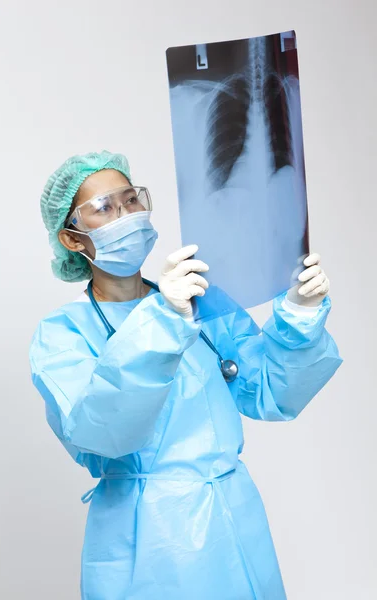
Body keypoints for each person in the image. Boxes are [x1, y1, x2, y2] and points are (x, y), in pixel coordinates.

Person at [29, 150, 342, 600]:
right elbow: (103, 433)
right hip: (149, 539)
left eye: (131, 199)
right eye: (104, 208)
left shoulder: (202, 302)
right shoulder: (63, 333)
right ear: (74, 240)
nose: (126, 215)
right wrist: (163, 319)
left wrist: (298, 314)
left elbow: (273, 392)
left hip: (235, 519)